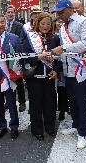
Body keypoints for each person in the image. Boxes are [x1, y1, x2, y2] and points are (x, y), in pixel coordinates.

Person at [51, 0, 86, 149]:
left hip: (81, 70)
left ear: (70, 9)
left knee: (82, 103)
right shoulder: (62, 28)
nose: (59, 15)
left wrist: (63, 48)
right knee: (72, 101)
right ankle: (76, 125)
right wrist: (53, 55)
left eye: (61, 12)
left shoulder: (84, 22)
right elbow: (63, 51)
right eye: (57, 12)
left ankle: (82, 133)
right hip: (68, 70)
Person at [20, 12, 60, 141]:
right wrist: (38, 57)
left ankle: (50, 127)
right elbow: (24, 56)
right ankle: (37, 130)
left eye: (48, 23)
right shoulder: (30, 37)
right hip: (34, 76)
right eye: (43, 23)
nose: (46, 26)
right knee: (35, 105)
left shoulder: (55, 38)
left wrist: (56, 71)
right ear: (38, 23)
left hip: (49, 76)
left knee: (50, 104)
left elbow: (59, 59)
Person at [5, 5, 27, 112]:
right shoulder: (2, 25)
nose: (10, 14)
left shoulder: (19, 25)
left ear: (14, 14)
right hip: (5, 58)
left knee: (18, 80)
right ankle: (8, 102)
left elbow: (21, 41)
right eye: (8, 12)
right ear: (6, 14)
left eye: (12, 12)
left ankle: (22, 102)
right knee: (7, 80)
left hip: (16, 57)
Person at [53, 18, 69, 121]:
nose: (60, 23)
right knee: (57, 90)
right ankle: (58, 109)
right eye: (58, 22)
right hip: (54, 67)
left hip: (66, 66)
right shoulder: (52, 35)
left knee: (64, 90)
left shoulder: (67, 35)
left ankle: (64, 109)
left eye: (62, 21)